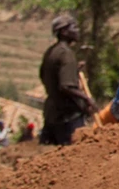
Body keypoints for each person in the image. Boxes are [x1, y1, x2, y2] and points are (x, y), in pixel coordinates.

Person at [38, 12, 94, 145]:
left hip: (52, 113)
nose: (77, 30)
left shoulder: (51, 52)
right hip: (68, 117)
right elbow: (66, 86)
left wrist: (73, 70)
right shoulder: (66, 54)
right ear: (63, 32)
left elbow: (44, 75)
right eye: (73, 27)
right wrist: (87, 99)